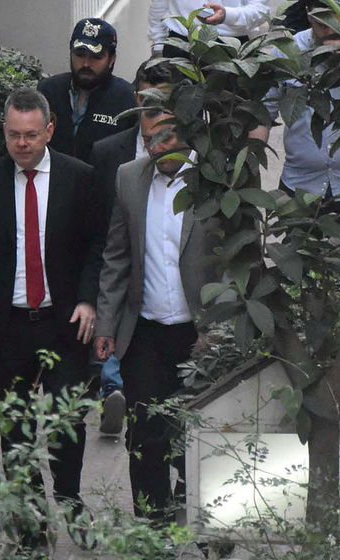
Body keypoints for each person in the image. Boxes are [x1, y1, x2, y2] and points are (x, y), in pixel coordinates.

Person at [0, 87, 105, 547]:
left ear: (49, 130)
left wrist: (88, 299)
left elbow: (95, 247)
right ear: (3, 132)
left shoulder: (79, 177)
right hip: (8, 327)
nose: (22, 145)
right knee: (16, 425)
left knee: (68, 420)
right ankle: (29, 518)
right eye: (12, 136)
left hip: (64, 323)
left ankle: (70, 501)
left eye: (30, 135)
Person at [93, 109, 219, 520]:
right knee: (145, 437)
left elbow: (238, 262)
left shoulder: (218, 179)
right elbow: (116, 256)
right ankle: (153, 530)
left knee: (198, 436)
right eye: (149, 139)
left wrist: (218, 331)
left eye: (165, 138)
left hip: (200, 336)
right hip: (144, 332)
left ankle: (203, 527)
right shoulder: (129, 177)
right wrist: (106, 323)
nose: (157, 148)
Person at [251, 0, 340, 237]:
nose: (331, 31)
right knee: (298, 267)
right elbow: (263, 114)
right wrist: (249, 162)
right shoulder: (287, 51)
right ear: (308, 14)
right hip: (300, 186)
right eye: (322, 24)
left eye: (338, 22)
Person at [88, 61, 175, 435]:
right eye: (146, 98)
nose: (153, 107)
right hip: (120, 263)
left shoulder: (201, 160)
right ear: (135, 97)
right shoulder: (110, 153)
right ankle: (113, 390)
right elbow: (95, 220)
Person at [38, 17, 137, 164]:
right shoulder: (48, 90)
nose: (85, 63)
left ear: (111, 60)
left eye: (96, 57)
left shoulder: (127, 99)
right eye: (80, 55)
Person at [149, 0, 270, 58]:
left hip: (230, 48)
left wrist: (227, 15)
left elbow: (261, 10)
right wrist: (158, 48)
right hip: (181, 46)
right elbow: (159, 6)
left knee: (230, 106)